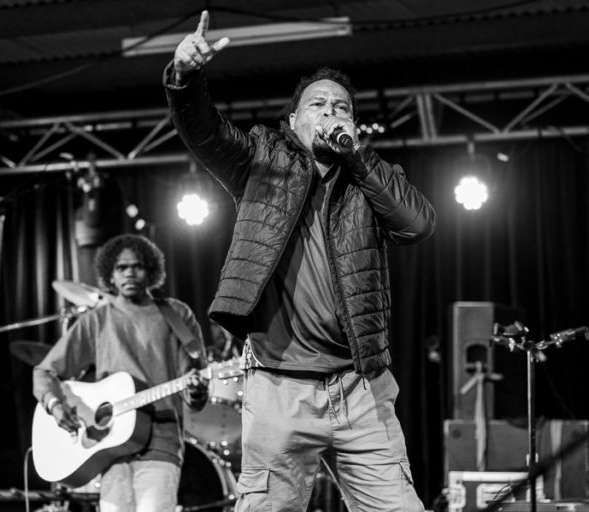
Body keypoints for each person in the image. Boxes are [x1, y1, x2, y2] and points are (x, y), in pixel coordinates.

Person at [164, 11, 436, 512]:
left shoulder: (370, 177)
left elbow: (417, 224)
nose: (331, 112)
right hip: (279, 386)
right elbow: (204, 132)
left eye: (341, 107)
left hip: (360, 388)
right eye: (318, 104)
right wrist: (186, 78)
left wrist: (358, 156)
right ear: (293, 121)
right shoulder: (261, 160)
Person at [33, 234, 209, 512]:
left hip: (161, 440)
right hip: (110, 446)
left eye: (137, 266)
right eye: (121, 267)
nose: (129, 273)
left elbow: (194, 393)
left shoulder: (176, 314)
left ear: (151, 272)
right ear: (110, 275)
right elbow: (45, 372)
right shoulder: (97, 320)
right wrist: (56, 405)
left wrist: (197, 390)